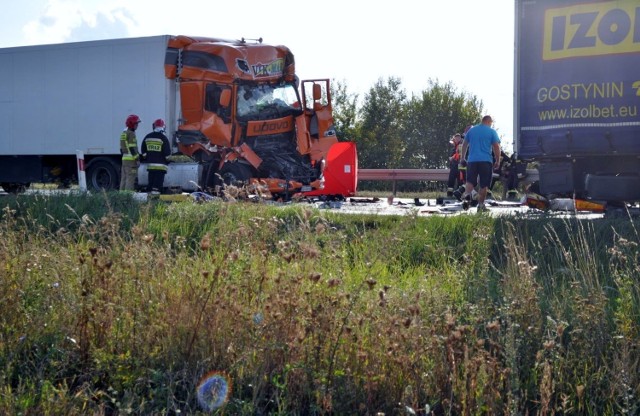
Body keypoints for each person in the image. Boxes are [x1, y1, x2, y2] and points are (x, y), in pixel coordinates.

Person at [459, 115, 501, 211]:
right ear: (489, 122)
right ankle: (481, 205)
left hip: (472, 160)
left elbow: (464, 144)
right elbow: (496, 147)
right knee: (484, 184)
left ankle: (467, 196)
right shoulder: (491, 131)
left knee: (470, 181)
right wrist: (498, 160)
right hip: (486, 161)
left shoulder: (472, 130)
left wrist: (463, 157)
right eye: (491, 123)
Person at [141, 118, 171, 194]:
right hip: (160, 167)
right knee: (157, 186)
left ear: (154, 126)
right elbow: (167, 153)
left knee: (150, 183)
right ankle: (155, 200)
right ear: (163, 127)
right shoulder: (163, 138)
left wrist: (146, 157)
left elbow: (143, 149)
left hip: (151, 166)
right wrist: (169, 160)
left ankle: (148, 199)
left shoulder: (147, 137)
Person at [120, 114, 141, 191]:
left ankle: (121, 197)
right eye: (136, 124)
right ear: (132, 124)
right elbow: (132, 148)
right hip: (131, 161)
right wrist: (137, 159)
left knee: (124, 179)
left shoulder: (124, 133)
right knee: (130, 180)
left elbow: (121, 149)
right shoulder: (131, 134)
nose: (137, 125)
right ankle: (127, 197)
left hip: (124, 160)